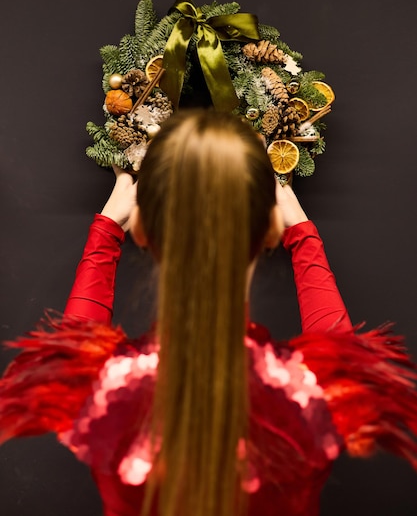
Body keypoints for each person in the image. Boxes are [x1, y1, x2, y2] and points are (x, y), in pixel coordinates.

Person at [1, 109, 417, 516]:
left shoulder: (101, 389)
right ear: (272, 227)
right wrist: (302, 234)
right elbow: (343, 354)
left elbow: (68, 350)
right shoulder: (314, 391)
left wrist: (107, 230)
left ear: (142, 227)